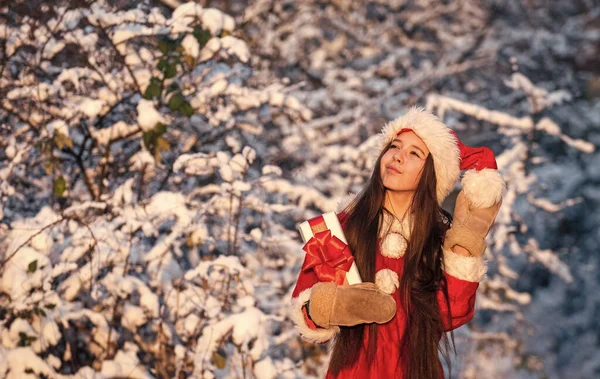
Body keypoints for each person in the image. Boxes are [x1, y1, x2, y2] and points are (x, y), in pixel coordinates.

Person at [290, 107, 505, 378]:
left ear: (432, 173)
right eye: (394, 146)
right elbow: (305, 309)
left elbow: (453, 313)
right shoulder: (340, 229)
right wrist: (335, 305)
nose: (398, 157)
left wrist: (464, 242)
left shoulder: (438, 238)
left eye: (414, 153)